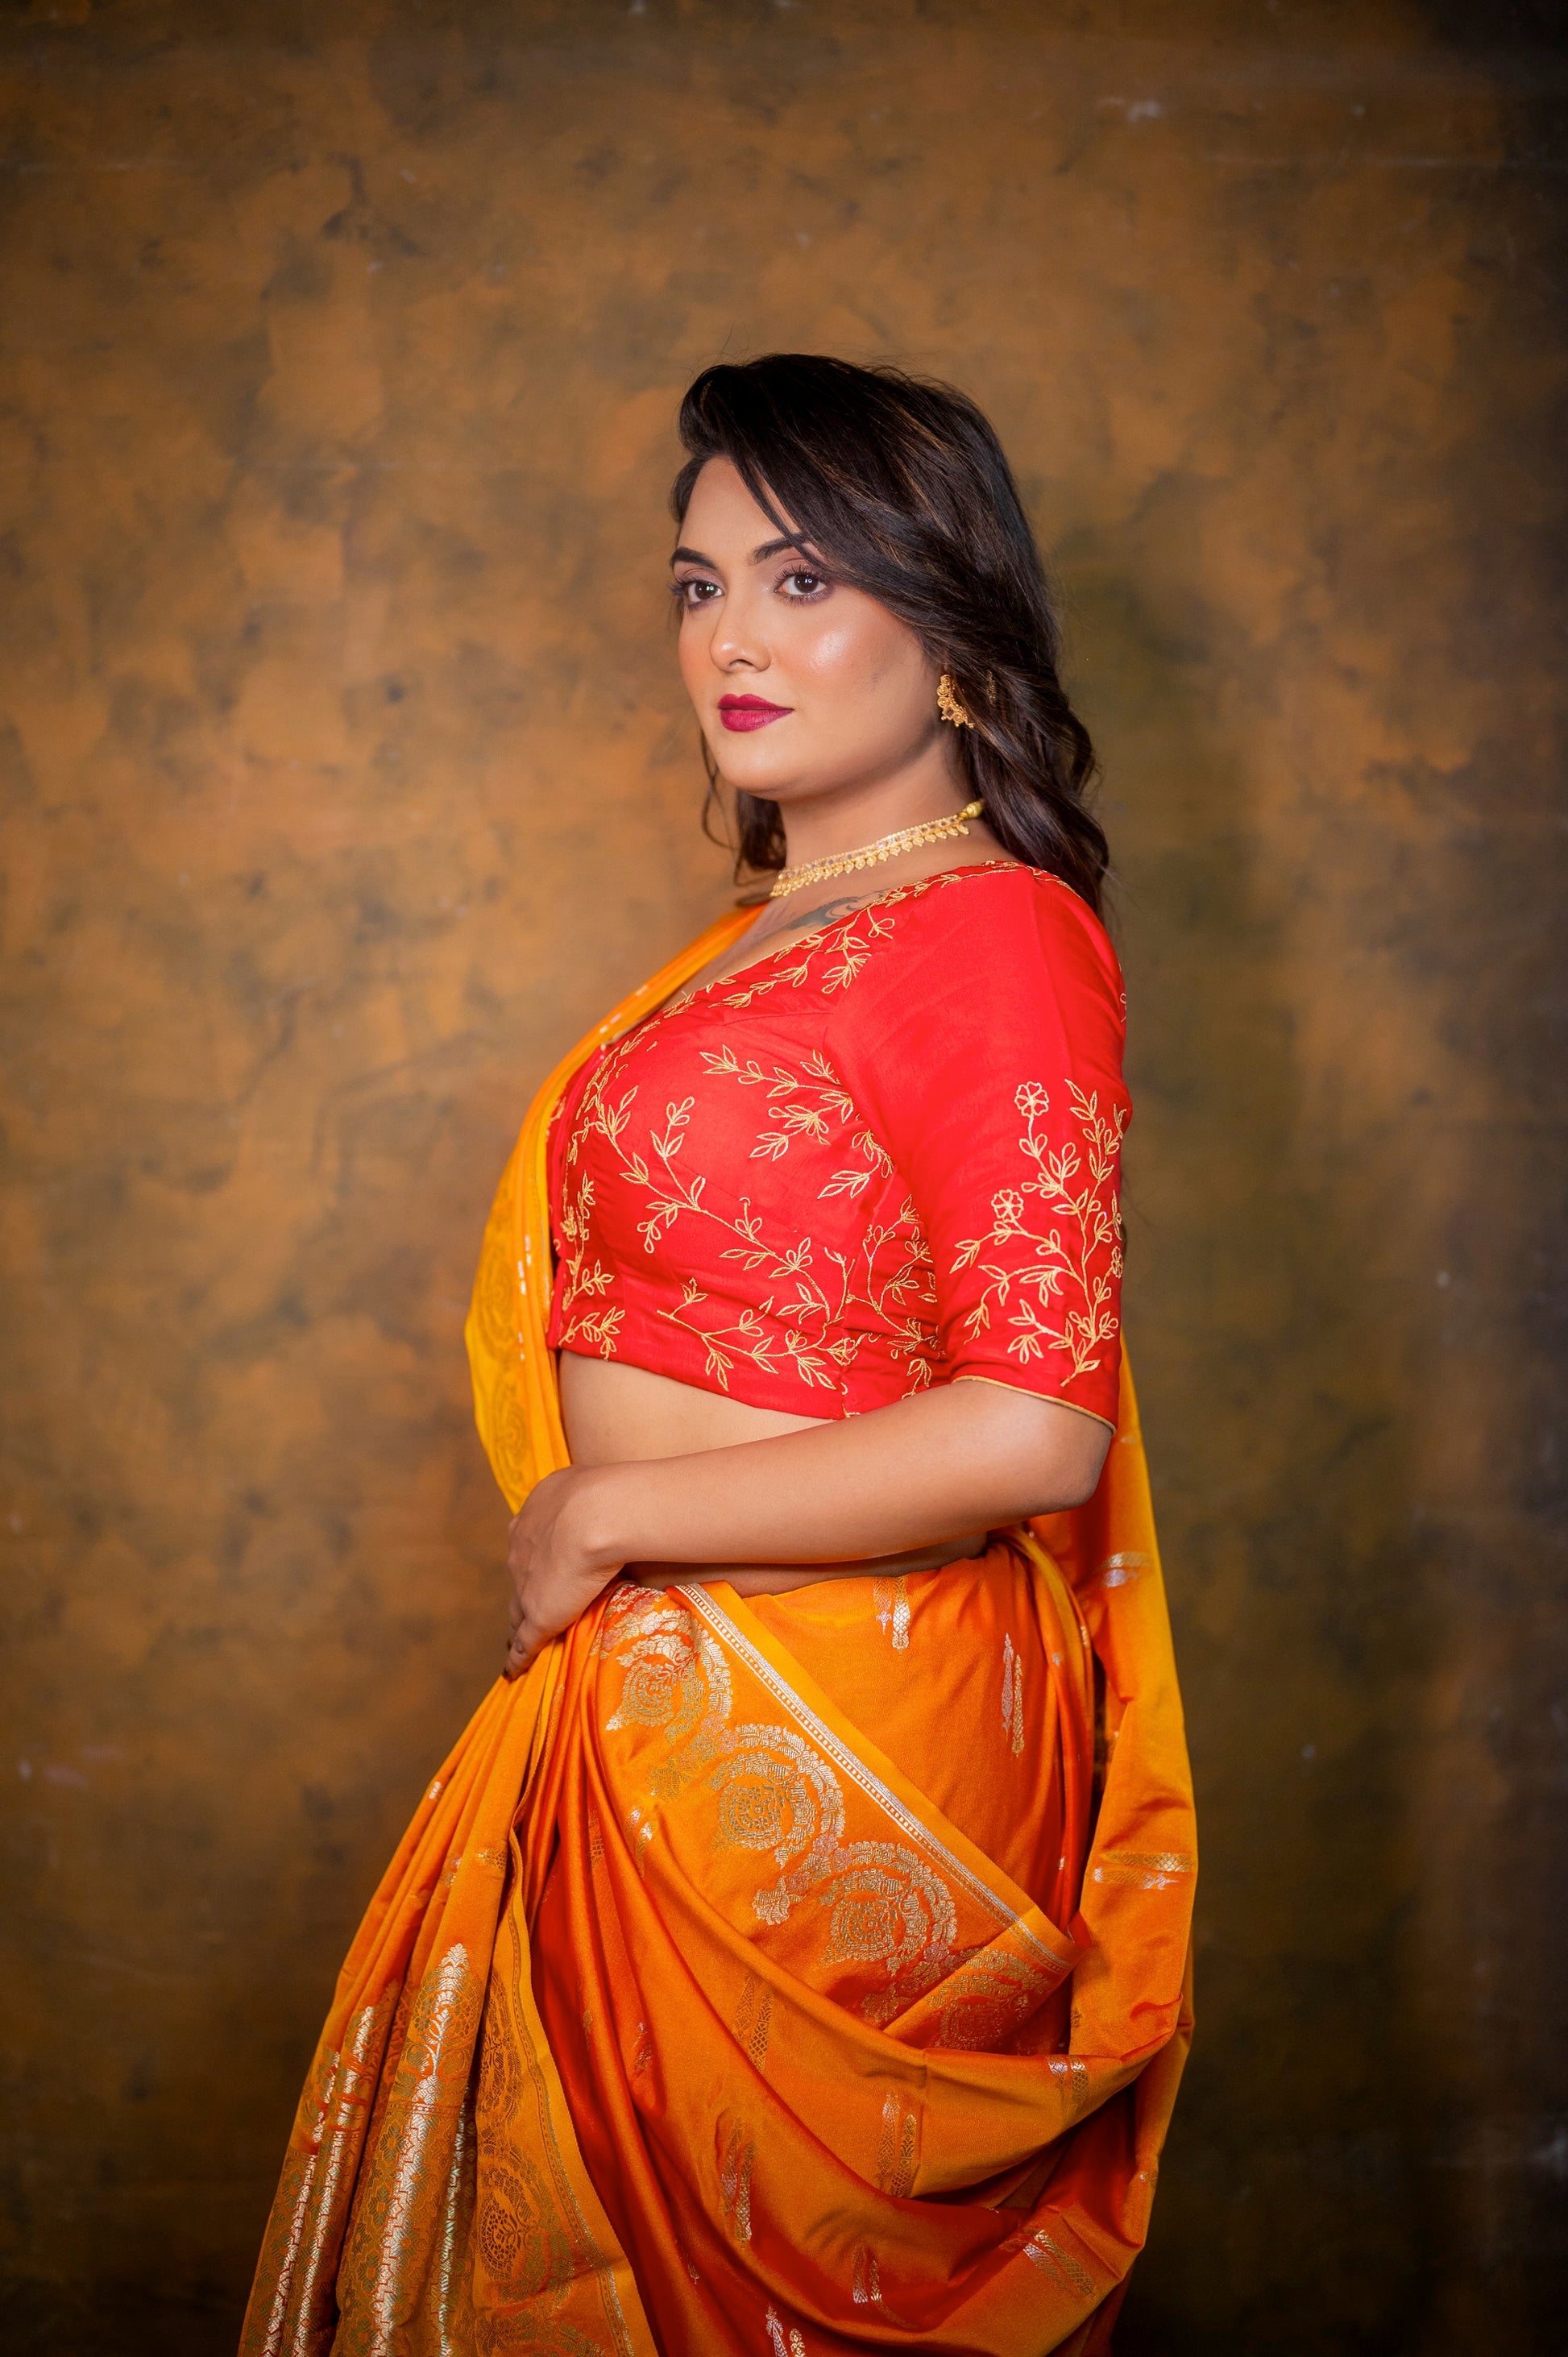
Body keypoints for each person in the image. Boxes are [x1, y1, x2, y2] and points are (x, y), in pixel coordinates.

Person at [242, 355, 1195, 2357]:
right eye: (697, 586)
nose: (731, 639)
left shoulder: (996, 932)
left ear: (951, 625)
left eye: (800, 577)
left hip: (854, 1760)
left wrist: (614, 1509)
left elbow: (1033, 1421)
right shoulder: (772, 926)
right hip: (650, 1719)